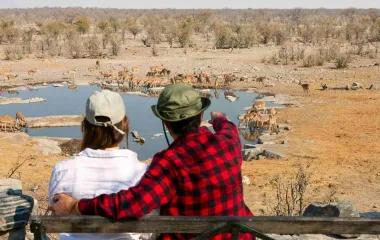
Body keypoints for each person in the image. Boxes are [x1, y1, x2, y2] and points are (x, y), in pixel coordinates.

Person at [50, 84, 254, 240]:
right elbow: (229, 128)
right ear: (200, 115)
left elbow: (133, 204)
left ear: (165, 122)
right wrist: (220, 119)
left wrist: (77, 205)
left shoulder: (169, 162)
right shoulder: (228, 141)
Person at [48, 90, 148, 240]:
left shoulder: (63, 171)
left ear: (86, 127)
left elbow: (56, 211)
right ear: (125, 125)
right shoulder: (143, 174)